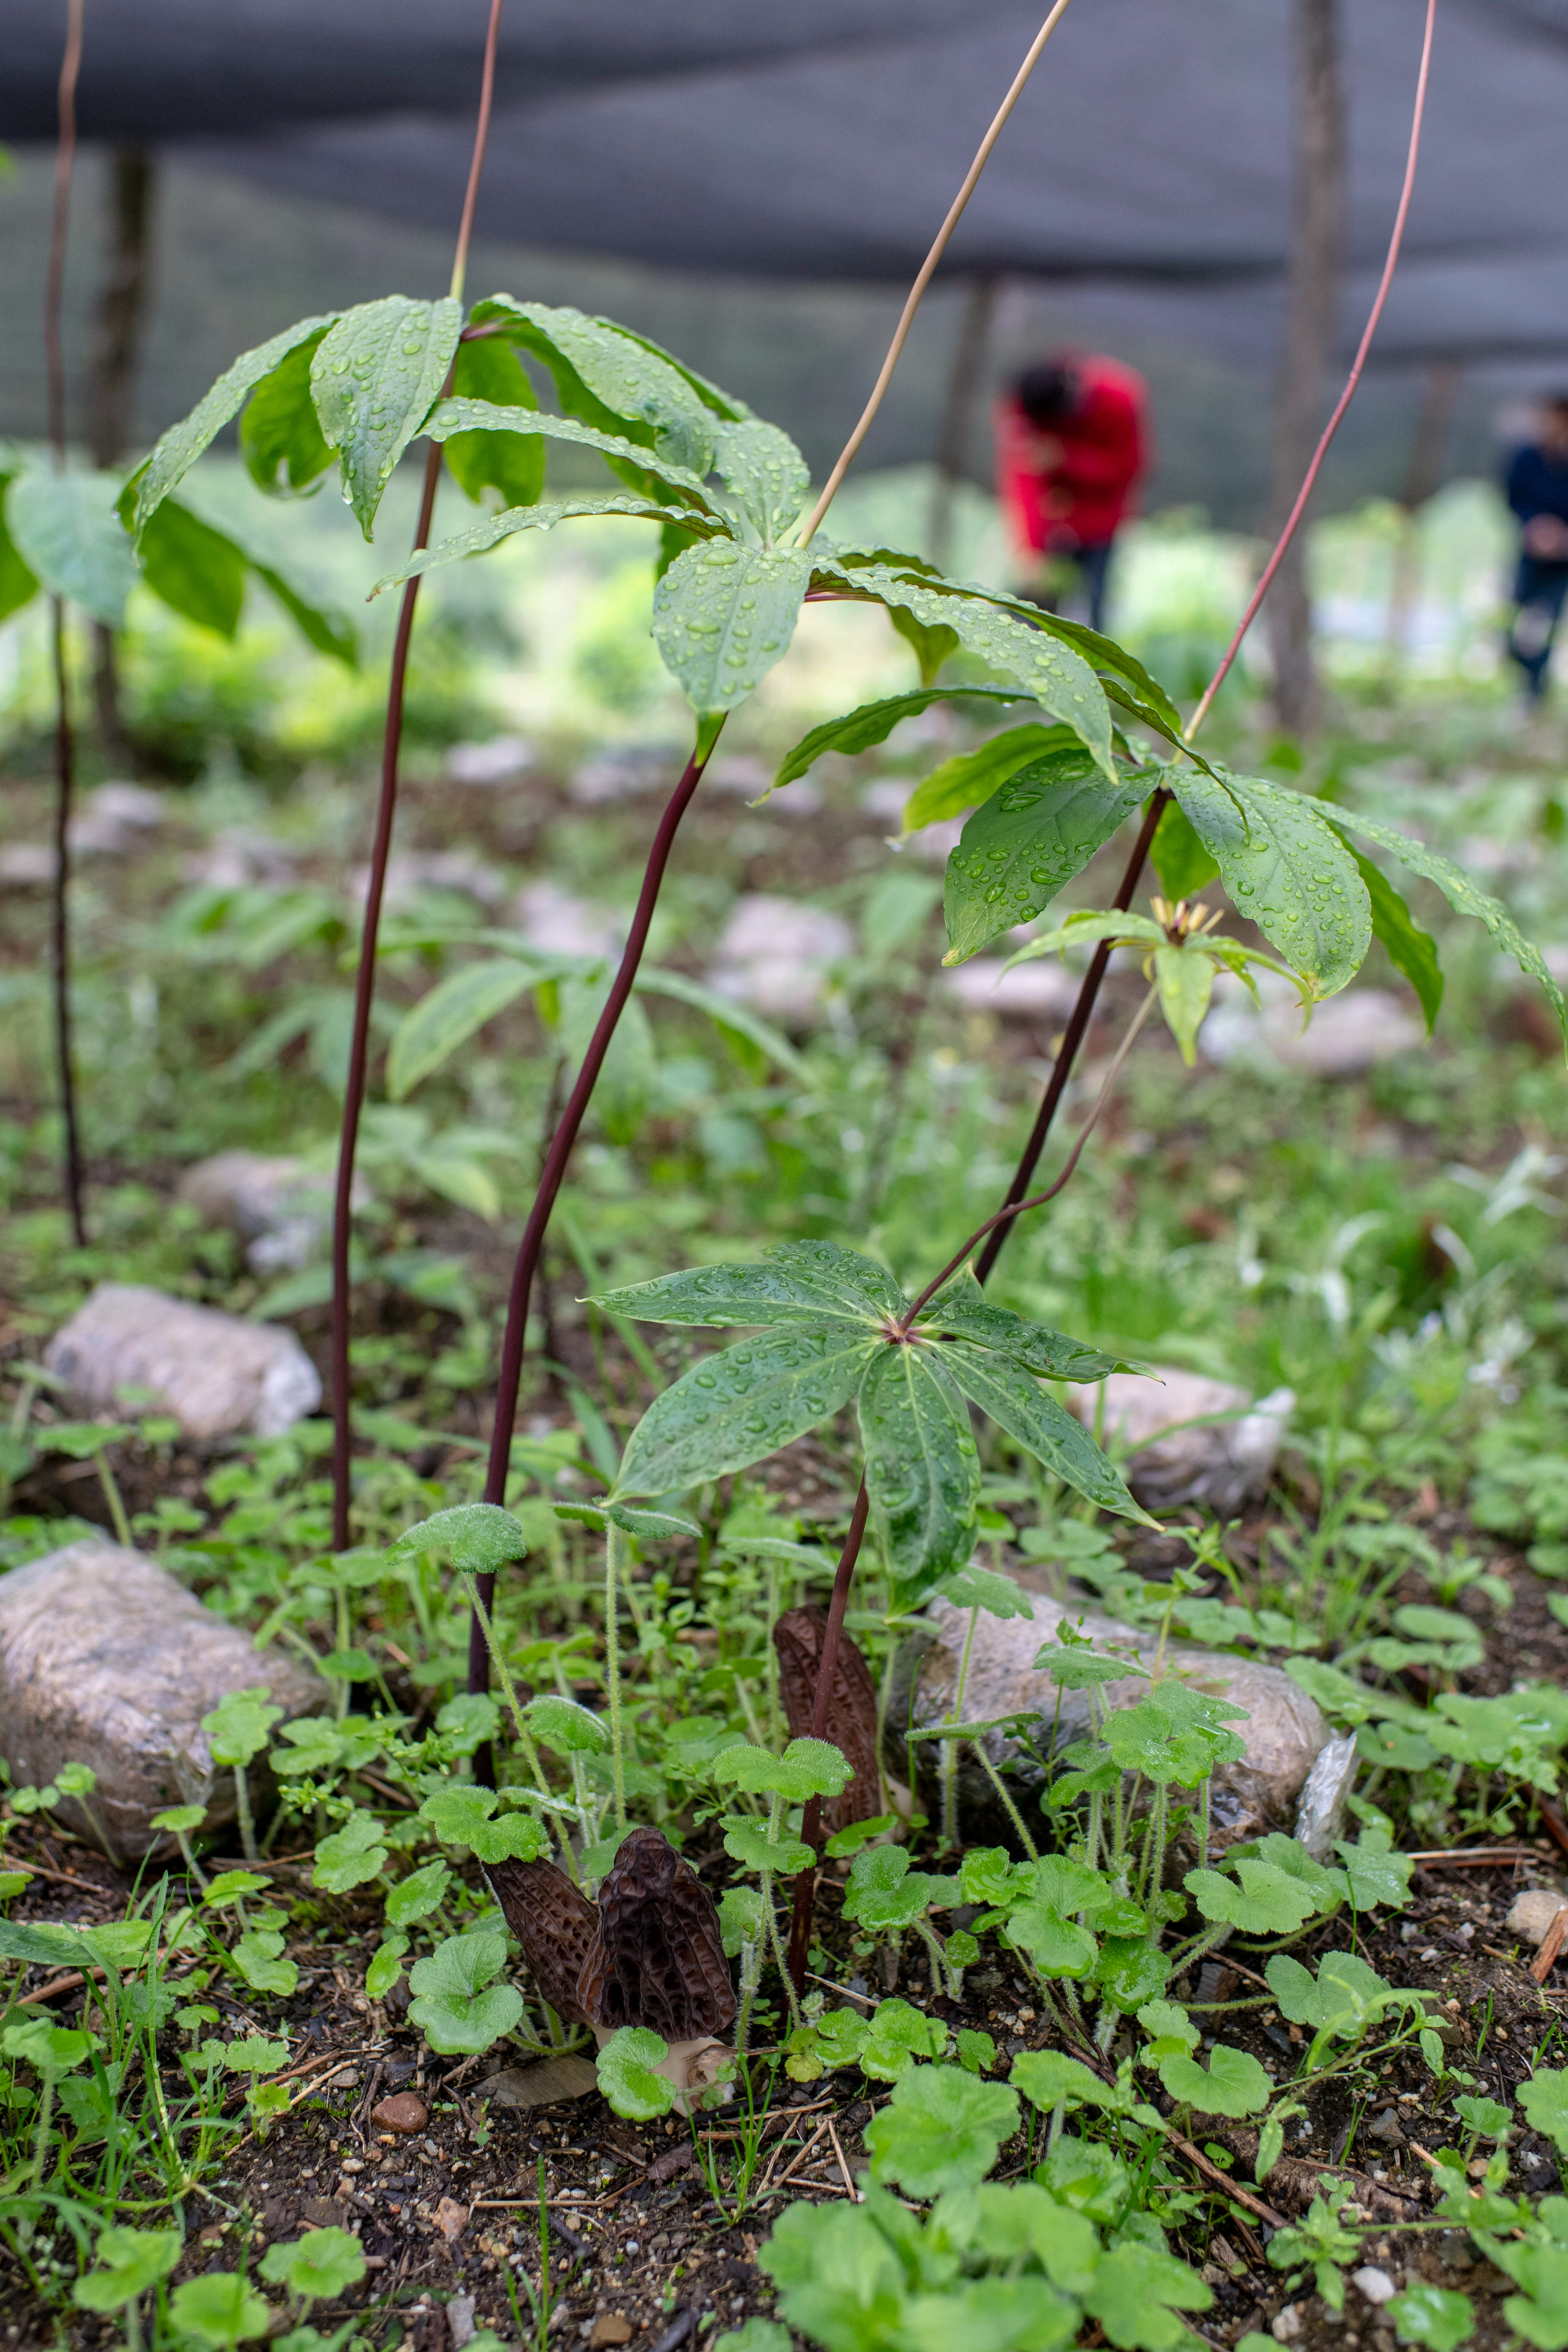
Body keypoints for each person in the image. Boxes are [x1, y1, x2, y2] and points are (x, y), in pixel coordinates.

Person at [995, 352, 1149, 634]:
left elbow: (1129, 469)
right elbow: (1024, 476)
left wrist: (1066, 459)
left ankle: (1098, 674)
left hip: (1100, 522)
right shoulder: (1022, 406)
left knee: (1095, 608)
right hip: (1054, 525)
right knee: (1033, 608)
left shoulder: (1119, 397)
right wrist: (1032, 547)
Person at [1505, 394, 1568, 701]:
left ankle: (1533, 692)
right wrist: (1534, 526)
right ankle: (1514, 676)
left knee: (1545, 625)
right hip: (1530, 555)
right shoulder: (1527, 458)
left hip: (1561, 563)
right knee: (1511, 620)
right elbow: (1513, 498)